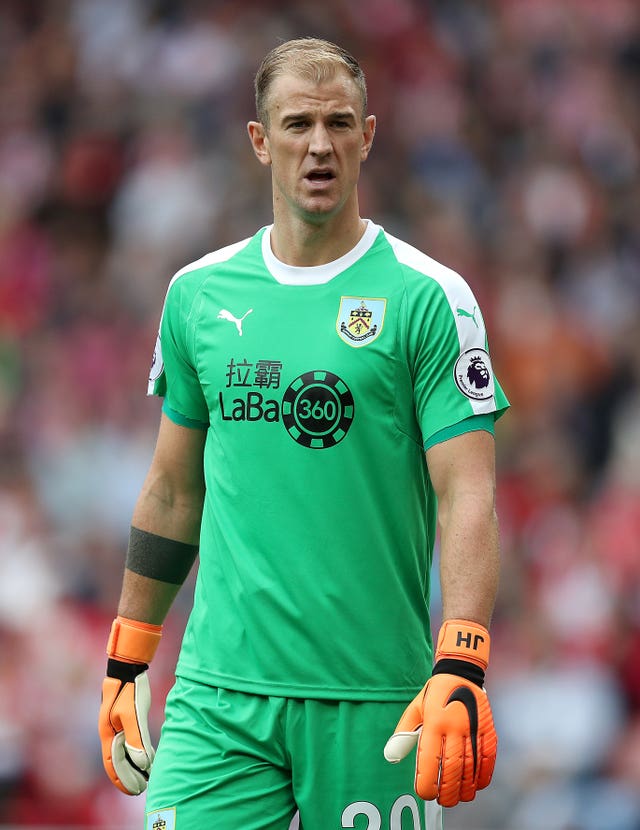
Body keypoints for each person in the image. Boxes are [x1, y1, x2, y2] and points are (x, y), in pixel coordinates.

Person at [98, 37, 509, 830]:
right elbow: (175, 490)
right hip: (220, 697)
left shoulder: (429, 298)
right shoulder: (196, 295)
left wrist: (462, 659)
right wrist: (128, 650)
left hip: (374, 699)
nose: (318, 145)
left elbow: (468, 492)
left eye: (337, 123)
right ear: (260, 141)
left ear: (368, 135)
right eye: (296, 124)